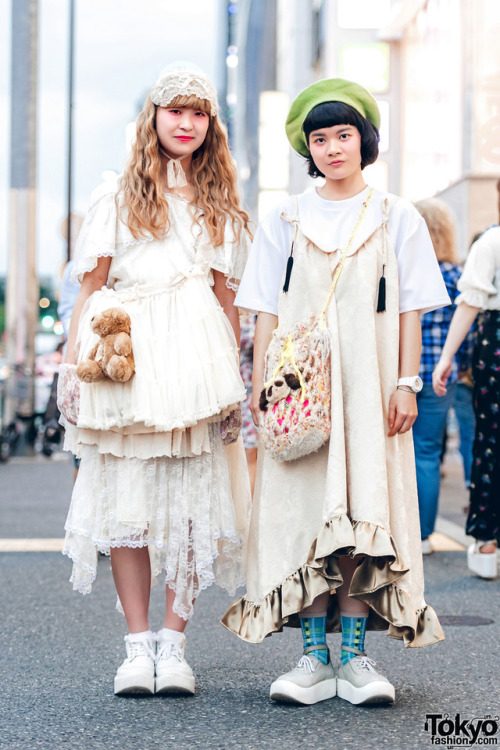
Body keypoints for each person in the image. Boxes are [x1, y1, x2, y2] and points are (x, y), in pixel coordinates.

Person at [222, 78, 449, 707]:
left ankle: (354, 658)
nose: (331, 148)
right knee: (303, 517)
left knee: (362, 515)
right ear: (308, 148)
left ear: (364, 140)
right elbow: (264, 309)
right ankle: (313, 658)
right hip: (300, 396)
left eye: (343, 135)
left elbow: (411, 311)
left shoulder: (396, 214)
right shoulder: (284, 217)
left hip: (373, 389)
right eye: (319, 138)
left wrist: (407, 383)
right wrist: (262, 389)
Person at [57, 64, 252, 696]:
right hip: (130, 358)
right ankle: (137, 647)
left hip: (198, 363)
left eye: (199, 114)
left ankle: (175, 644)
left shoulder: (222, 203)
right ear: (155, 117)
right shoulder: (116, 196)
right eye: (177, 111)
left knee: (194, 506)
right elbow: (90, 289)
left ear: (210, 126)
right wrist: (69, 368)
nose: (187, 124)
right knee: (128, 509)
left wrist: (236, 381)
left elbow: (228, 302)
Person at [433, 216, 500, 580]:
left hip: (496, 344)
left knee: (490, 441)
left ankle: (488, 543)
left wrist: (447, 357)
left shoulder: (491, 242)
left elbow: (470, 301)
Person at [411, 198, 475, 554]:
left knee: (397, 453)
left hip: (401, 374)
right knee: (427, 452)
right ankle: (423, 536)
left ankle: (397, 530)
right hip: (441, 377)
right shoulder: (455, 275)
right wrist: (460, 365)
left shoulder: (405, 270)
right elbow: (463, 329)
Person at [239, 313, 258, 494]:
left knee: (252, 454)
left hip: (254, 391)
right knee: (246, 455)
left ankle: (251, 510)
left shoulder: (256, 314)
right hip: (239, 393)